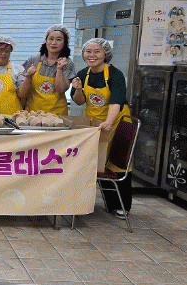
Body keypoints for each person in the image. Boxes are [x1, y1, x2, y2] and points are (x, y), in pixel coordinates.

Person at [71, 38, 132, 218]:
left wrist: (109, 122)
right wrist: (78, 89)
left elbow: (116, 102)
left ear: (105, 54)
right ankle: (107, 204)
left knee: (117, 162)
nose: (92, 55)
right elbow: (79, 101)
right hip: (94, 123)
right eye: (88, 51)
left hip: (117, 122)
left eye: (97, 51)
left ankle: (122, 206)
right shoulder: (83, 73)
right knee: (98, 161)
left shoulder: (115, 74)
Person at [18, 24, 74, 115]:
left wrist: (59, 69)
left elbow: (61, 89)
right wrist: (28, 76)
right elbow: (21, 94)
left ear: (65, 43)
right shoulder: (34, 60)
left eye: (58, 39)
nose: (54, 42)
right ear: (46, 41)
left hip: (57, 114)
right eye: (51, 39)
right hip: (33, 114)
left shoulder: (67, 63)